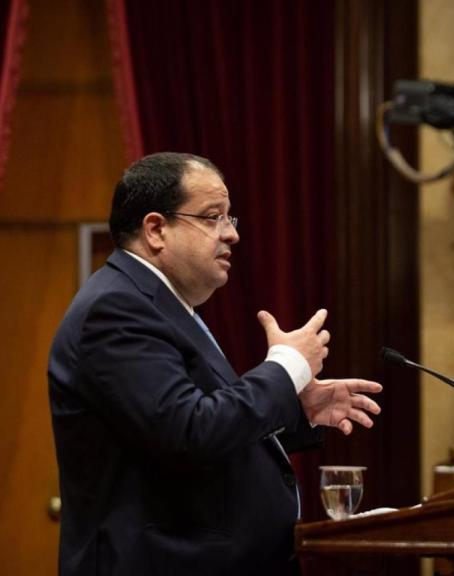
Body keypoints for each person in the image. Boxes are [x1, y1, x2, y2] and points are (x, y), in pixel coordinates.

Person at [48, 152, 382, 576]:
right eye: (213, 217)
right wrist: (286, 368)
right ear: (156, 230)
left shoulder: (161, 304)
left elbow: (190, 427)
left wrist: (293, 407)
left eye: (230, 218)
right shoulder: (117, 308)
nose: (232, 234)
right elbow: (189, 431)